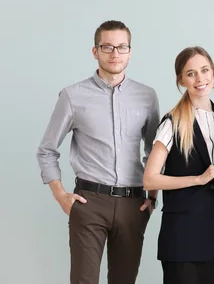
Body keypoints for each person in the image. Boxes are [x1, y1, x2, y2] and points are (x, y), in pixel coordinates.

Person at [36, 20, 160, 284]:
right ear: (96, 52)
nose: (115, 53)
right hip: (89, 201)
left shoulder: (147, 96)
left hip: (133, 204)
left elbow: (153, 152)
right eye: (107, 47)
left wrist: (152, 198)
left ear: (129, 51)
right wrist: (61, 196)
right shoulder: (72, 95)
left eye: (121, 47)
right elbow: (47, 150)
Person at [143, 46, 214, 284]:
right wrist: (198, 179)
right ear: (181, 80)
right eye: (191, 73)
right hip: (183, 234)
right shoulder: (173, 122)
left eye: (204, 70)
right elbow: (150, 179)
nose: (200, 78)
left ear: (213, 73)